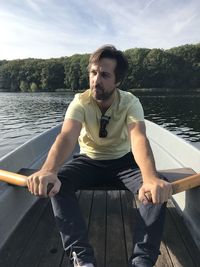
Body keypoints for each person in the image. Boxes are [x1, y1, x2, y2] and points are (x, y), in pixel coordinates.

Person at [27, 45, 172, 267]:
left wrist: (151, 177)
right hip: (88, 161)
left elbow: (139, 138)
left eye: (104, 75)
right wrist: (49, 170)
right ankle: (82, 259)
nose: (96, 80)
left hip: (123, 162)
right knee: (60, 182)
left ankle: (142, 261)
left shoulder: (130, 102)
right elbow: (67, 136)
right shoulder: (80, 102)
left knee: (157, 186)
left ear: (117, 81)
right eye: (93, 73)